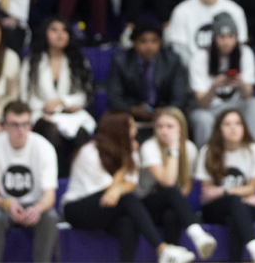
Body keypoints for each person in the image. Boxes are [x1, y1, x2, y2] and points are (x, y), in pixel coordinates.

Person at [60, 111, 196, 263]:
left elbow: (130, 184)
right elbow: (108, 191)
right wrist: (125, 167)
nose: (136, 131)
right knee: (128, 199)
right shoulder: (90, 152)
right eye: (131, 126)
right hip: (78, 208)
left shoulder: (129, 151)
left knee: (127, 222)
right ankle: (162, 249)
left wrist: (120, 187)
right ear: (119, 130)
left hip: (107, 207)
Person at [195, 109, 255, 263]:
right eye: (227, 124)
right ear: (219, 129)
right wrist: (239, 195)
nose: (233, 128)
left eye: (238, 123)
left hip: (242, 209)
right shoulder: (207, 151)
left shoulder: (254, 150)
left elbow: (252, 188)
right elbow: (208, 194)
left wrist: (222, 191)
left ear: (244, 127)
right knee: (235, 203)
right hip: (214, 210)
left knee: (235, 217)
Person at [137, 107, 218, 260]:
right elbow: (167, 182)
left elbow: (186, 186)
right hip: (144, 206)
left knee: (172, 214)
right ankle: (197, 235)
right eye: (160, 126)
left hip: (169, 205)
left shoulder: (190, 148)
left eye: (169, 126)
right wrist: (173, 150)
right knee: (171, 191)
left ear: (181, 128)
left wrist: (176, 202)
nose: (164, 131)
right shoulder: (149, 147)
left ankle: (170, 258)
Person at [0, 100, 59, 263]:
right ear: (4, 126)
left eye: (25, 124)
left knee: (50, 216)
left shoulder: (44, 147)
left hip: (33, 204)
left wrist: (37, 208)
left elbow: (49, 196)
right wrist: (7, 204)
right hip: (4, 205)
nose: (21, 130)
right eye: (15, 125)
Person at [20, 18, 94, 177]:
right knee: (52, 131)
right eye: (54, 30)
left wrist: (63, 102)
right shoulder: (32, 61)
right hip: (41, 113)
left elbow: (84, 94)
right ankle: (55, 178)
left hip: (70, 114)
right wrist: (44, 106)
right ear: (45, 33)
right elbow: (26, 96)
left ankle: (78, 178)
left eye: (64, 30)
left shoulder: (78, 61)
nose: (60, 34)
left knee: (81, 132)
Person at [189, 13, 255, 153]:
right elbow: (202, 104)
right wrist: (214, 86)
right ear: (214, 38)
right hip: (211, 109)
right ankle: (207, 161)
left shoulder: (245, 53)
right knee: (202, 118)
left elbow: (247, 95)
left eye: (231, 36)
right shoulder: (200, 57)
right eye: (222, 37)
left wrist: (241, 84)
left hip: (237, 107)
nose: (226, 41)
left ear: (237, 37)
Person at [106, 23, 190, 134]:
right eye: (143, 41)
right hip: (131, 115)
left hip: (165, 115)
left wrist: (166, 110)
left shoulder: (173, 61)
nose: (149, 46)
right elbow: (113, 97)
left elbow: (180, 97)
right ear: (134, 43)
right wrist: (133, 110)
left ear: (160, 42)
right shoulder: (120, 61)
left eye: (154, 41)